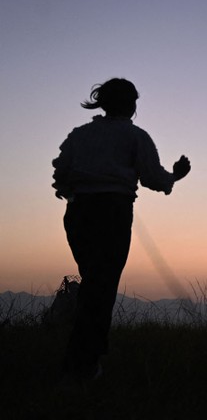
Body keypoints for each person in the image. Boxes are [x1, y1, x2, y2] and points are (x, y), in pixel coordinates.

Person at [52, 78, 191, 381]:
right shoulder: (134, 136)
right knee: (101, 288)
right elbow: (154, 178)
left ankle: (84, 360)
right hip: (113, 213)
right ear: (131, 105)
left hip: (77, 214)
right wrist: (176, 176)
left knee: (93, 283)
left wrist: (78, 189)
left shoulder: (80, 136)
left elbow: (60, 172)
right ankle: (82, 366)